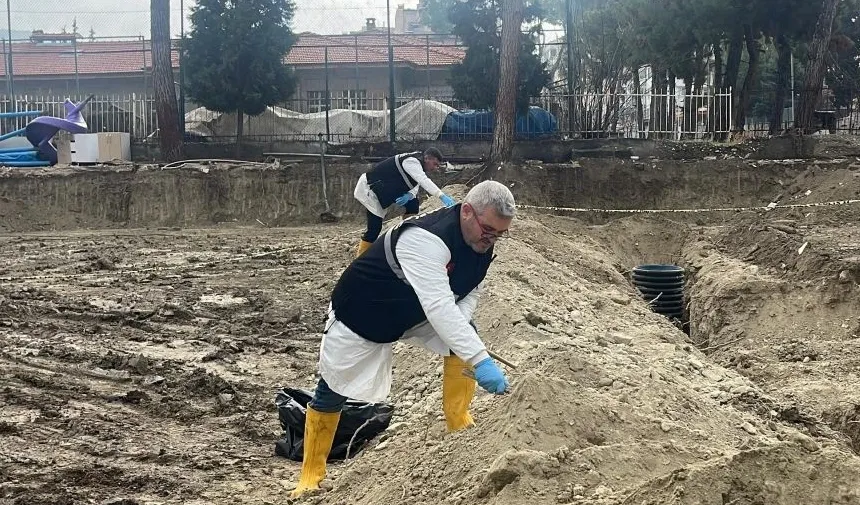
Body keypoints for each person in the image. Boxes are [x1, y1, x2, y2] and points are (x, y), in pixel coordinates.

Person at [290, 180, 515, 498]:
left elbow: (465, 295)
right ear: (466, 212)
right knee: (334, 386)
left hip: (412, 312)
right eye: (489, 230)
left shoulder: (482, 245)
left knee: (466, 335)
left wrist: (464, 343)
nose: (492, 239)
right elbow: (439, 306)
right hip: (363, 311)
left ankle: (459, 424)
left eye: (500, 234)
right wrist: (480, 360)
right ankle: (311, 474)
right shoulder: (426, 240)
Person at [353, 147, 456, 258]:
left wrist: (410, 195)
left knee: (413, 203)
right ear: (427, 158)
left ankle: (408, 232)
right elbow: (422, 180)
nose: (436, 168)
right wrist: (441, 196)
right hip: (370, 190)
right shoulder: (411, 162)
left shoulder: (417, 163)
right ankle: (361, 255)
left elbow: (416, 183)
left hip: (383, 191)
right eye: (435, 164)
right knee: (374, 227)